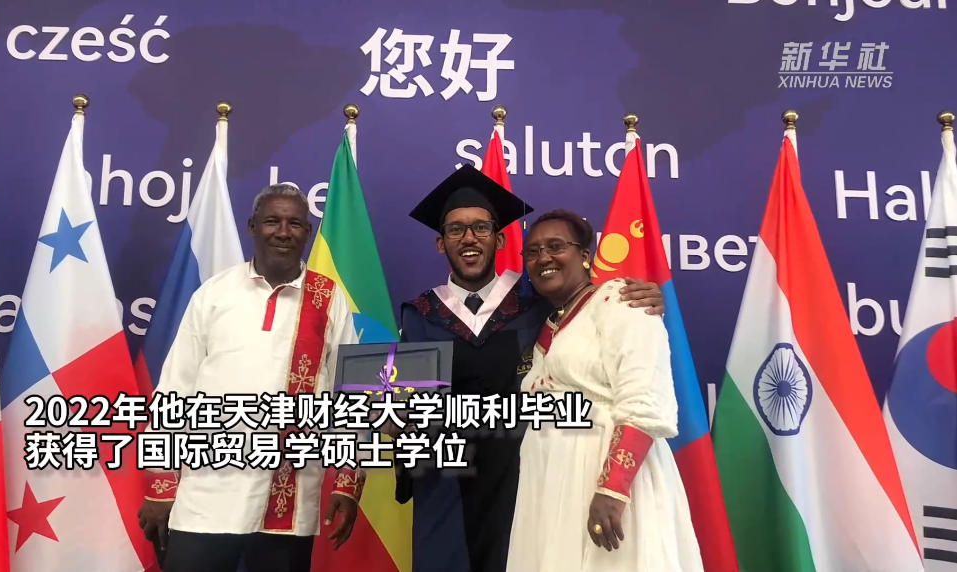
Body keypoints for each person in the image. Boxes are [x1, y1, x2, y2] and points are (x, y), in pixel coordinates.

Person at [393, 165, 667, 572]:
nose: (469, 238)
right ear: (441, 243)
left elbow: (594, 314)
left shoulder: (537, 303)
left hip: (523, 475)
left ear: (499, 239)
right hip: (445, 479)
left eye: (481, 227)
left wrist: (644, 297)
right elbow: (403, 403)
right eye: (455, 230)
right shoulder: (420, 315)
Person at [135, 184, 364, 572]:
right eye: (272, 221)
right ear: (252, 227)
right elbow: (175, 390)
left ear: (308, 232)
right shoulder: (215, 294)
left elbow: (350, 394)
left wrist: (348, 480)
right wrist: (161, 486)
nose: (283, 232)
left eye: (295, 223)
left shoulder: (328, 298)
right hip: (206, 495)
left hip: (287, 502)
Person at [506, 209, 704, 572]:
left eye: (555, 246)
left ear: (585, 255)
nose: (543, 257)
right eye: (532, 252)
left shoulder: (622, 300)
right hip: (549, 478)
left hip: (602, 473)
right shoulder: (546, 324)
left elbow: (644, 398)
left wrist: (613, 488)